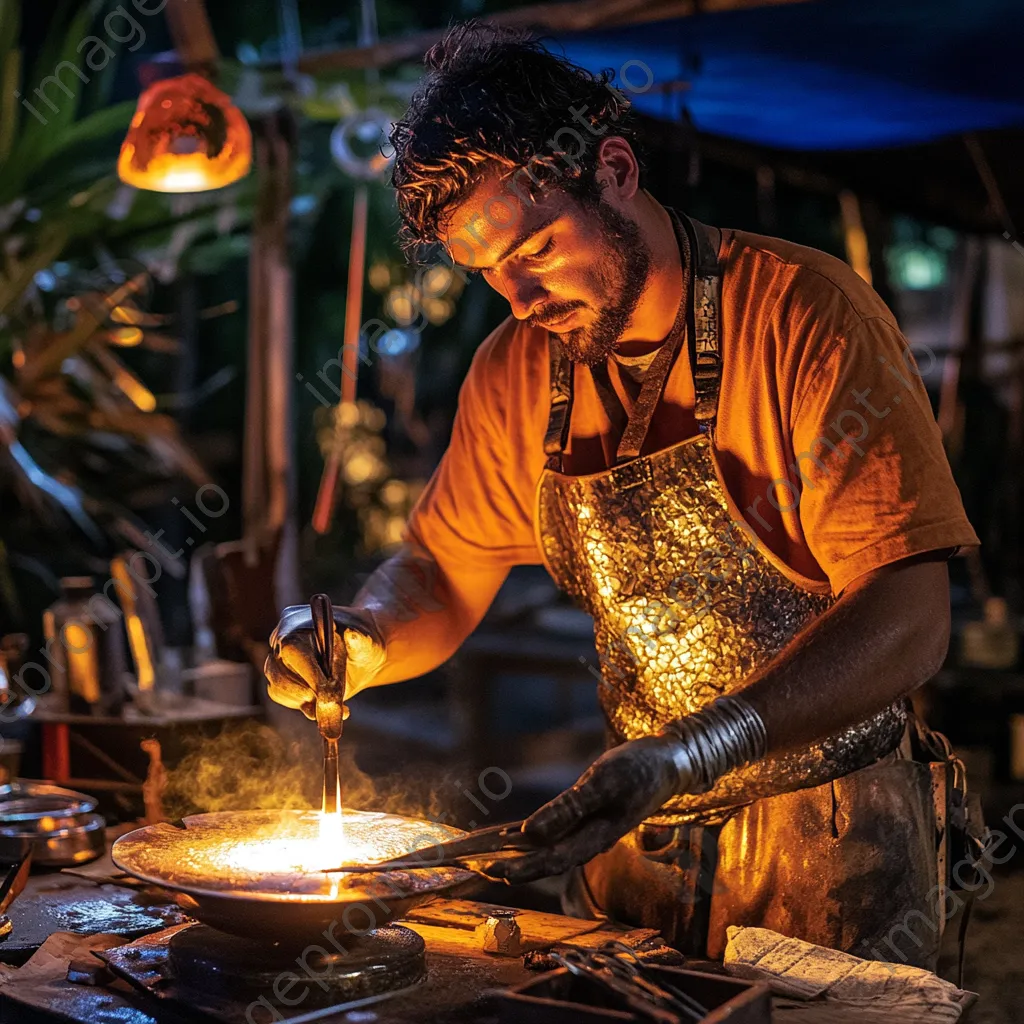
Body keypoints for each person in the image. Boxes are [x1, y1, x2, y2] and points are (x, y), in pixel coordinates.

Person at [264, 24, 979, 968]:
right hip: (634, 838)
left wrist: (694, 749)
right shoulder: (517, 369)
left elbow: (910, 616)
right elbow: (441, 568)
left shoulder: (808, 315)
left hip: (835, 840)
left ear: (613, 170)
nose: (520, 299)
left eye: (537, 250)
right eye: (489, 276)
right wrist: (364, 636)